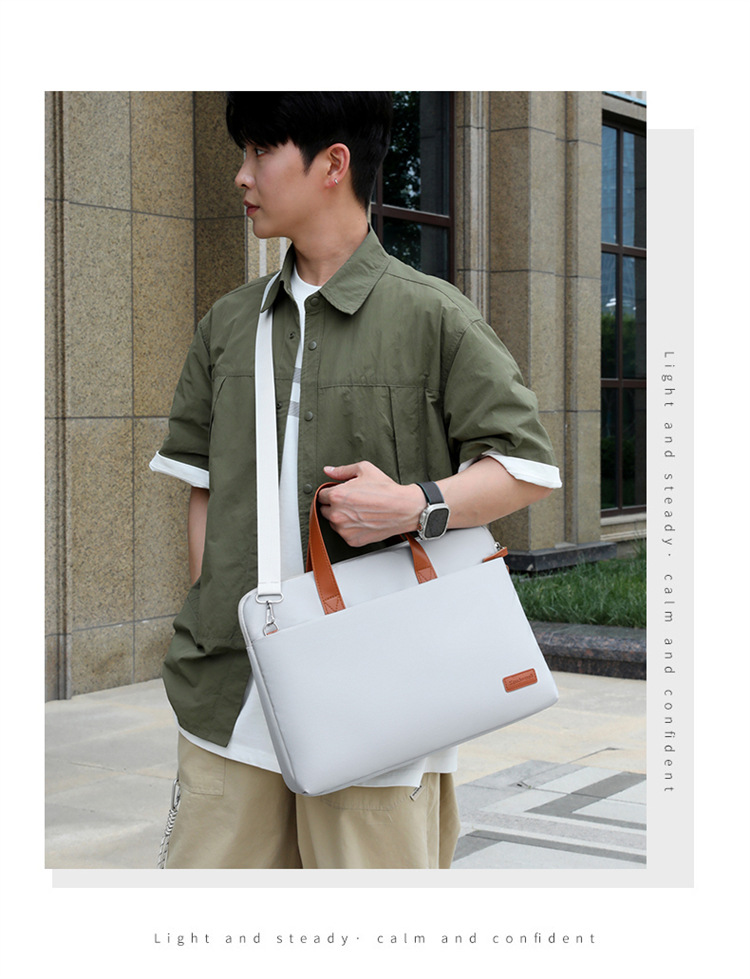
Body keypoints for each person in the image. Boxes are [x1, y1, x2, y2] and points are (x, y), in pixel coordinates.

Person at [150, 91, 561, 869]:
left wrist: (415, 504)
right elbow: (202, 486)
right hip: (229, 696)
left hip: (382, 699)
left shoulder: (433, 316)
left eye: (260, 151)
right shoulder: (228, 324)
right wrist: (215, 611)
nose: (241, 175)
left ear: (333, 164)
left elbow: (524, 467)